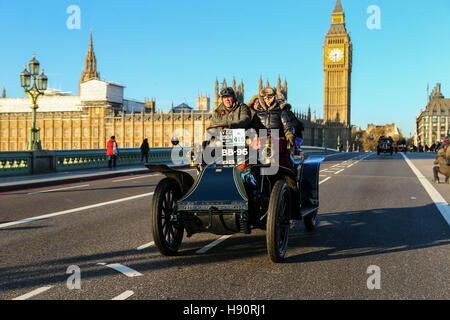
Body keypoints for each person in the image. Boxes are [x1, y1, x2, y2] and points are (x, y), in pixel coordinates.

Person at [252, 87, 296, 168]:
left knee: (284, 165)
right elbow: (253, 129)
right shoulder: (258, 114)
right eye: (265, 98)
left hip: (277, 141)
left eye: (269, 97)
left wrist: (289, 135)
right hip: (262, 142)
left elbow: (287, 126)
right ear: (262, 99)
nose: (267, 99)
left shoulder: (280, 112)